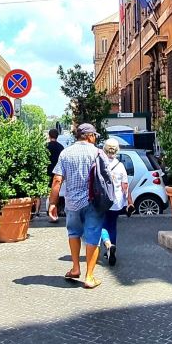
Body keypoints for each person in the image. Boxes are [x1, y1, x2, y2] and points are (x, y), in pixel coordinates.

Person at [48, 123, 105, 289]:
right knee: (93, 237)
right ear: (89, 136)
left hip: (72, 203)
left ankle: (75, 268)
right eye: (94, 135)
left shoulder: (66, 153)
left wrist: (53, 203)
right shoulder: (97, 153)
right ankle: (89, 276)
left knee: (73, 233)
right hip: (93, 202)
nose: (95, 138)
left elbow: (57, 180)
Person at [98, 138, 132, 267]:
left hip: (102, 200)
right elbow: (125, 186)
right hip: (117, 201)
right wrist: (128, 201)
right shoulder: (120, 166)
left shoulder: (100, 163)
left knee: (100, 224)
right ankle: (111, 251)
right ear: (117, 150)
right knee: (112, 225)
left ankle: (107, 244)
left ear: (104, 149)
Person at [42, 129, 65, 216]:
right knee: (57, 191)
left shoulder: (46, 146)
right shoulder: (61, 147)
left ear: (49, 135)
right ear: (57, 136)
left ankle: (50, 209)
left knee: (49, 192)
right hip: (59, 172)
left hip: (48, 172)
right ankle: (57, 209)